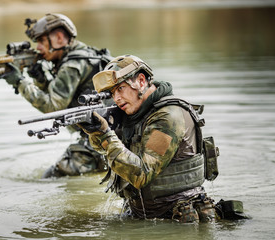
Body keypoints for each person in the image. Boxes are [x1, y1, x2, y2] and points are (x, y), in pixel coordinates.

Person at [78, 55, 219, 223]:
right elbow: (106, 151)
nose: (116, 98)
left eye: (120, 89)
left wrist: (106, 133)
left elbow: (142, 174)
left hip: (177, 219)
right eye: (112, 93)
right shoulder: (134, 113)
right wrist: (96, 132)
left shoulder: (168, 116)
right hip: (142, 214)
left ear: (141, 81)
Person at [0, 13, 113, 178]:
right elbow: (63, 98)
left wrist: (19, 82)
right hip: (109, 134)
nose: (38, 48)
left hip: (106, 139)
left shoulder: (72, 65)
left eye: (41, 42)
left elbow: (53, 106)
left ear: (59, 38)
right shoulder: (82, 54)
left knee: (54, 176)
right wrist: (41, 79)